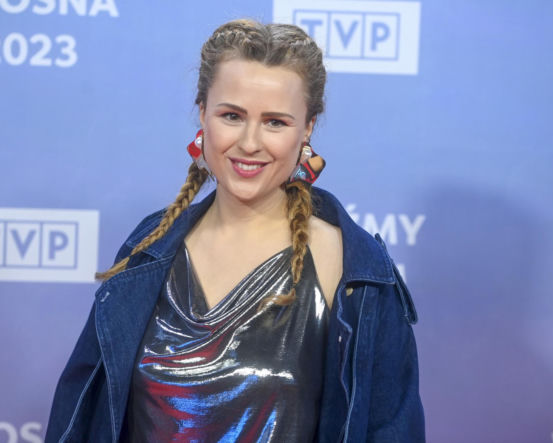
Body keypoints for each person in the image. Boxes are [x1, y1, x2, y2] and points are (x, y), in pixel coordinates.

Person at [45, 19, 424, 443]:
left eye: (275, 122)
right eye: (232, 116)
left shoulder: (356, 271)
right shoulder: (148, 250)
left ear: (307, 128)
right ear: (202, 112)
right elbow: (78, 421)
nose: (249, 143)